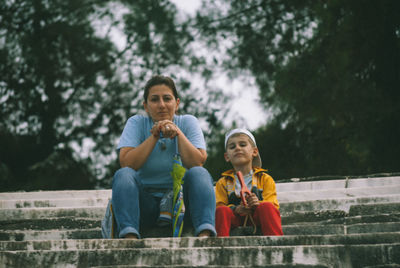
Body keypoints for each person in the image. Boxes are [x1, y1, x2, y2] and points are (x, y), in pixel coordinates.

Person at [104, 75, 216, 239]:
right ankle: (129, 236)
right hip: (145, 205)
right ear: (146, 106)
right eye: (155, 100)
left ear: (176, 104)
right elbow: (126, 163)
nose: (162, 105)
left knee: (200, 173)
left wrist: (177, 132)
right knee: (123, 175)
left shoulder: (188, 122)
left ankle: (205, 234)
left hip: (181, 204)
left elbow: (198, 161)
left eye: (167, 99)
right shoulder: (136, 123)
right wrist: (155, 136)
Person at [214, 128, 283, 237]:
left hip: (257, 218)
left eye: (242, 145)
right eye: (232, 147)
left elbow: (273, 205)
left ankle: (277, 242)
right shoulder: (222, 182)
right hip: (235, 219)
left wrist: (257, 203)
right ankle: (220, 246)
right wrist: (236, 209)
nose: (237, 148)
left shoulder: (265, 179)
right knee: (221, 211)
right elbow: (219, 205)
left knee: (267, 207)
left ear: (254, 152)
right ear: (227, 156)